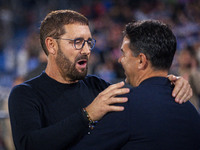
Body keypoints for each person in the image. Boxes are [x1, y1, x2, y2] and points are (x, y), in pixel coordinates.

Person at [8, 10, 192, 150]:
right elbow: (28, 145)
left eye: (89, 42)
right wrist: (87, 115)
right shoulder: (25, 94)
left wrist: (169, 82)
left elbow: (143, 95)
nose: (87, 50)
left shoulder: (98, 86)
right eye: (77, 42)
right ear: (52, 45)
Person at [71, 20, 200, 150]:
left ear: (141, 60)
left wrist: (86, 115)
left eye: (123, 54)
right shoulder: (191, 111)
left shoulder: (125, 107)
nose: (120, 60)